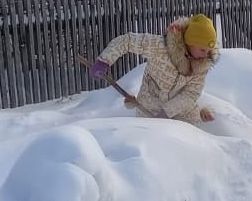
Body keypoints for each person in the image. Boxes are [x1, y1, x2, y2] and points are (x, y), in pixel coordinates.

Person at [89, 13, 219, 124]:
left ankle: (202, 114)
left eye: (209, 51)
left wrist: (168, 111)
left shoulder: (202, 65)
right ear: (189, 43)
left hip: (180, 113)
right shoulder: (160, 47)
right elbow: (127, 41)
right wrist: (104, 60)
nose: (206, 55)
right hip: (149, 109)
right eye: (202, 49)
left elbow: (191, 93)